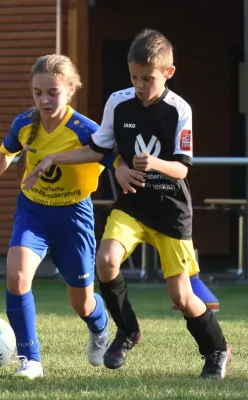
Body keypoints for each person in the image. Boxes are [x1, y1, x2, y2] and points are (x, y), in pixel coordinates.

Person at [23, 29, 231, 379]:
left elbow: (182, 166)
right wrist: (54, 159)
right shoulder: (118, 102)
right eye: (134, 77)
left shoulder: (180, 110)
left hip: (171, 210)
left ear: (168, 73)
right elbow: (98, 149)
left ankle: (216, 350)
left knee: (181, 297)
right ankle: (127, 330)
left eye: (147, 79)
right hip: (133, 204)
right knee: (105, 261)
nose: (139, 85)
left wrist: (155, 164)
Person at [0, 54, 117, 379]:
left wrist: (127, 175)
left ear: (70, 90)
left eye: (52, 92)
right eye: (38, 93)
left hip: (74, 217)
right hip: (33, 212)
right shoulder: (24, 123)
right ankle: (30, 360)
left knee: (82, 303)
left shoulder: (85, 129)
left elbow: (113, 159)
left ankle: (100, 326)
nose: (45, 99)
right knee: (17, 276)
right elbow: (5, 152)